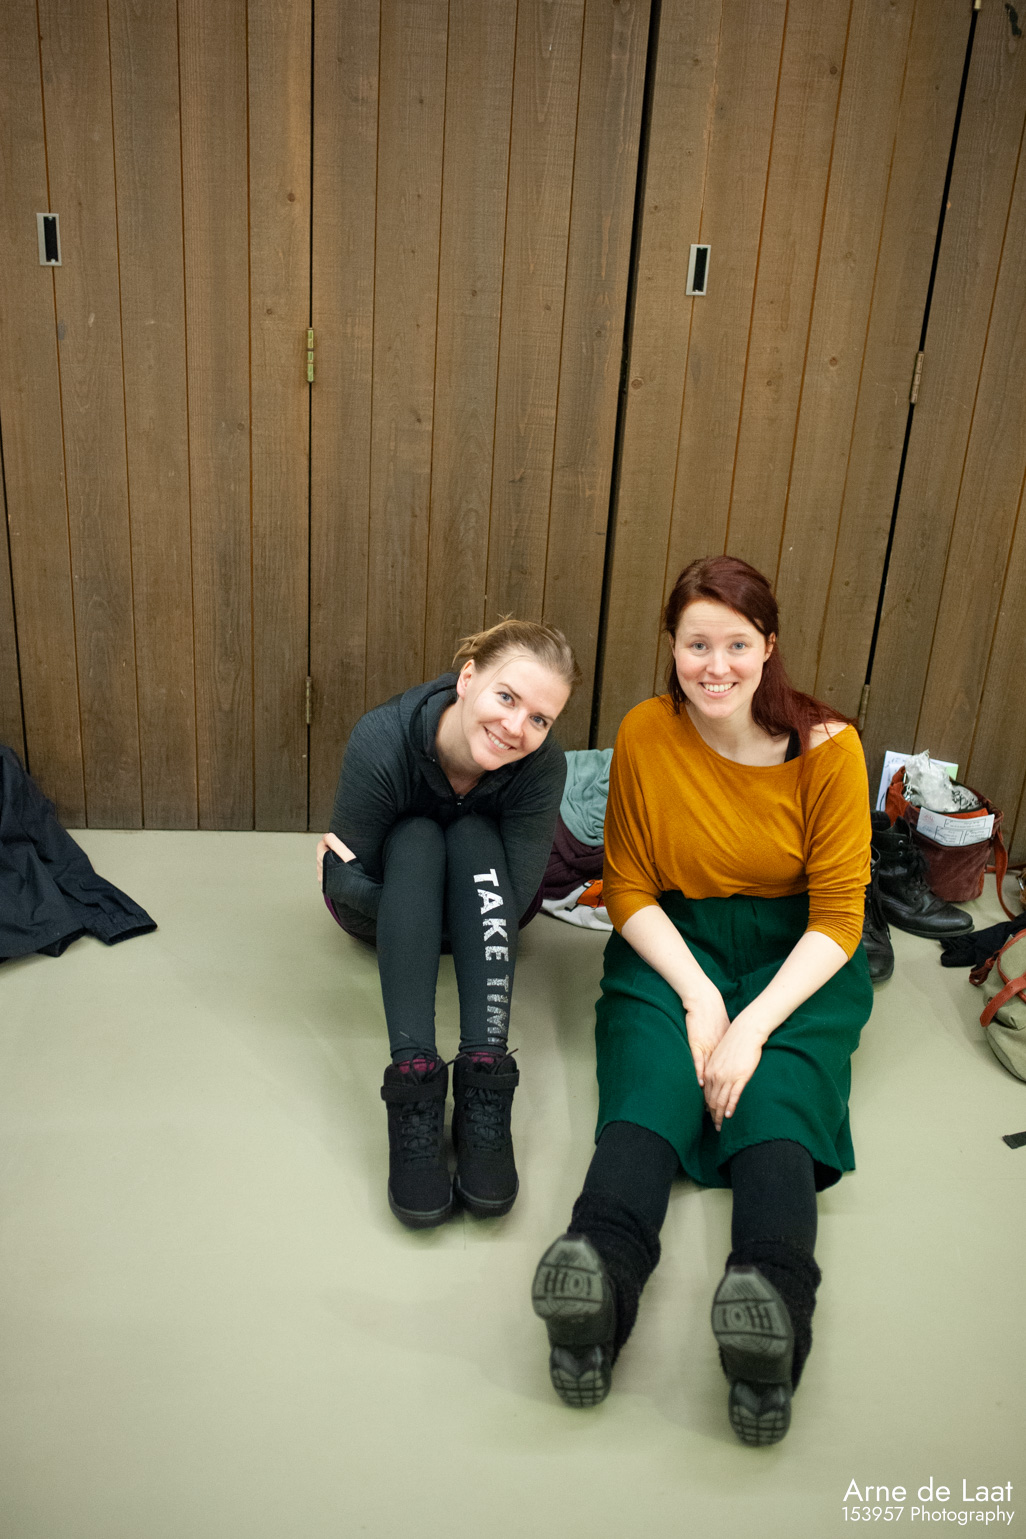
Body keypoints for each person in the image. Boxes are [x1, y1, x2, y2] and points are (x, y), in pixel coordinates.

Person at [530, 556, 873, 1446]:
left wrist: (749, 1025)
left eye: (737, 644)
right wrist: (696, 998)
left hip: (795, 954)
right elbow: (628, 887)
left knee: (775, 1105)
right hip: (673, 943)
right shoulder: (646, 731)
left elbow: (840, 917)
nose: (715, 666)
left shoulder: (830, 748)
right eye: (696, 645)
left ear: (769, 647)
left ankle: (769, 1318)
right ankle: (595, 1284)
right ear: (672, 647)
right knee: (650, 1093)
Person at [317, 621, 579, 1230]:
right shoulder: (383, 738)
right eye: (506, 697)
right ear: (467, 679)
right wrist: (410, 896)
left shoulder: (542, 766)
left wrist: (422, 901)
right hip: (383, 915)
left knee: (473, 833)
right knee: (416, 837)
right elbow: (344, 891)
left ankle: (484, 1076)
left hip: (484, 920)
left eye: (539, 719)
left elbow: (514, 904)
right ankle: (413, 1083)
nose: (516, 727)